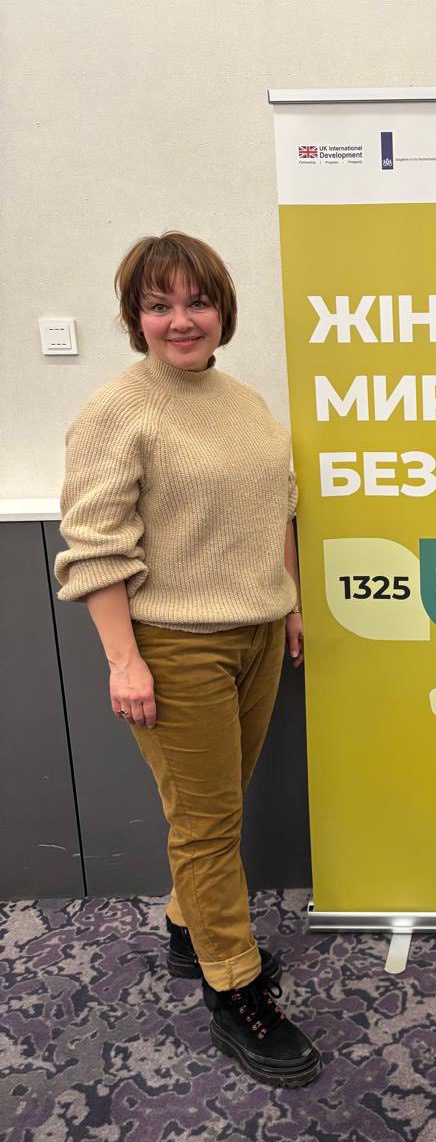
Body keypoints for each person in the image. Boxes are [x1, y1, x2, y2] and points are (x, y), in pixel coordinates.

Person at [55, 232, 321, 1086]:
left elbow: (279, 507)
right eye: (159, 304)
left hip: (256, 635)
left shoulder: (243, 401)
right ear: (135, 317)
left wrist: (291, 602)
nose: (181, 320)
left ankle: (187, 927)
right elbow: (95, 547)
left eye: (197, 301)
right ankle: (233, 989)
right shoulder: (118, 410)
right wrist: (123, 661)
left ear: (222, 311)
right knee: (206, 825)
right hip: (175, 647)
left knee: (219, 805)